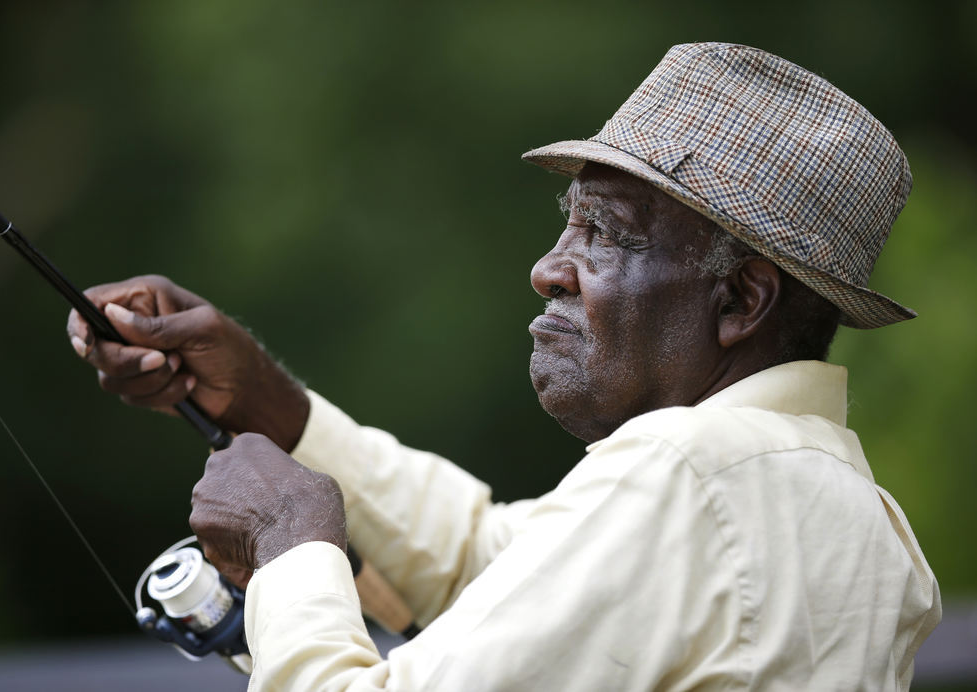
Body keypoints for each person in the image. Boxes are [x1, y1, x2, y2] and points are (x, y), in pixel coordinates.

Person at [68, 43, 940, 690]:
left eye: (601, 233)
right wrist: (270, 404)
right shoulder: (851, 515)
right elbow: (499, 570)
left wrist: (292, 544)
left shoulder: (692, 471)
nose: (548, 268)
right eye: (568, 223)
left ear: (743, 301)